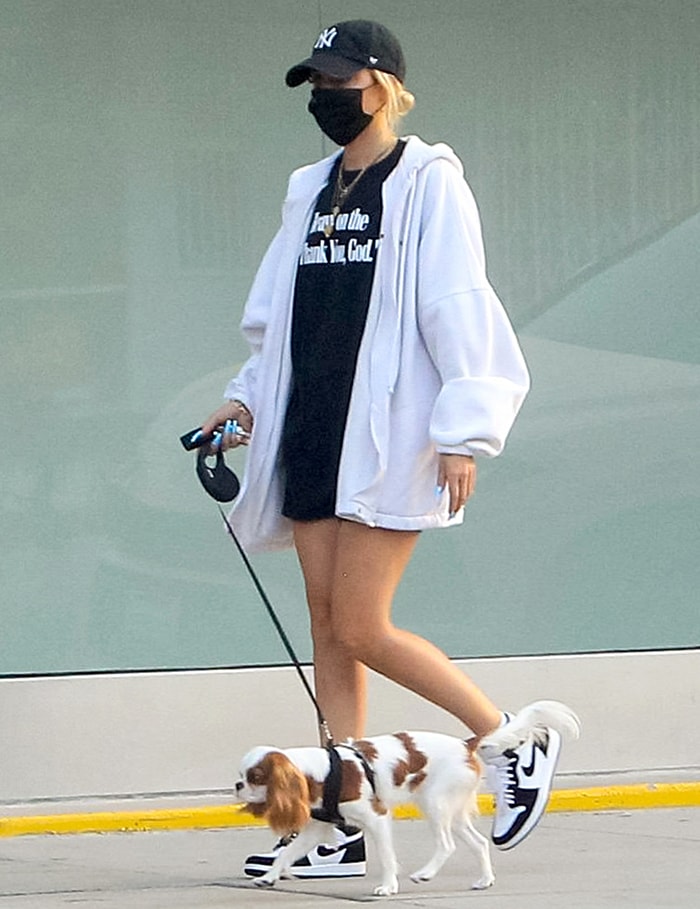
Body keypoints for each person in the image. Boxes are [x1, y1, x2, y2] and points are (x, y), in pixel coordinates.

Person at [200, 19, 561, 879]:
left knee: (363, 623)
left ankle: (510, 741)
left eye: (339, 82)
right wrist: (245, 400)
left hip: (392, 428)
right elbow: (278, 319)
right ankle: (347, 819)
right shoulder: (310, 191)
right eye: (315, 85)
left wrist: (466, 428)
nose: (326, 99)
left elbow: (459, 302)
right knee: (328, 628)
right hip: (312, 425)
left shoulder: (429, 183)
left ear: (383, 86)